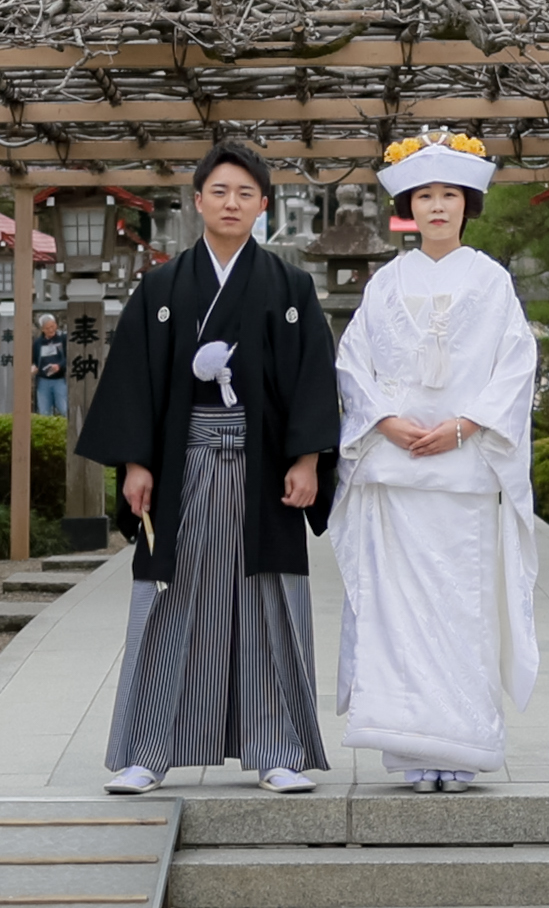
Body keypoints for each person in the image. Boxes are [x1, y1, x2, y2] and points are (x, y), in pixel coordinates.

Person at [76, 140, 339, 794]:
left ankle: (275, 747)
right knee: (170, 601)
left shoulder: (290, 285)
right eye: (219, 191)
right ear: (197, 201)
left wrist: (306, 459)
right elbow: (135, 380)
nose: (231, 203)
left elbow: (312, 380)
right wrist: (136, 464)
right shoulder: (161, 287)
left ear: (263, 207)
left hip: (263, 469)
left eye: (244, 194)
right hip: (181, 463)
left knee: (266, 602)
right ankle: (146, 751)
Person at [329, 132, 541, 791]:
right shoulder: (386, 283)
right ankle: (407, 747)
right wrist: (385, 421)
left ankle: (464, 743)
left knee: (461, 606)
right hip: (395, 474)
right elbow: (350, 364)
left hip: (463, 470)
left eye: (449, 194)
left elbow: (515, 364)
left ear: (466, 204)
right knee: (396, 609)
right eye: (425, 196)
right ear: (407, 208)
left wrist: (464, 424)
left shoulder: (490, 280)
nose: (438, 207)